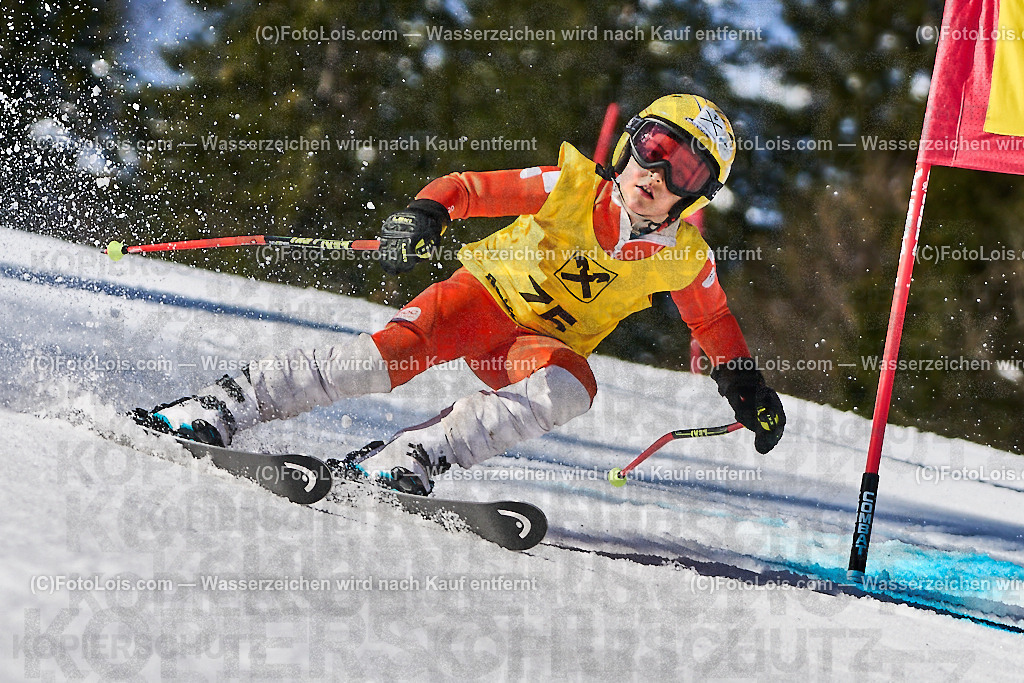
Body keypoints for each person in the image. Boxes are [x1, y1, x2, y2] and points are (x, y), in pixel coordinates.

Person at [133, 93, 786, 496]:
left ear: (696, 194)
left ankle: (414, 452)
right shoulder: (571, 188)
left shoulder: (683, 257)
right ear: (629, 144)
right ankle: (227, 402)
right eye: (655, 147)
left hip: (533, 350)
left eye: (685, 168)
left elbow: (714, 319)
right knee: (380, 359)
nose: (658, 173)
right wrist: (424, 214)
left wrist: (746, 386)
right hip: (481, 300)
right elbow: (467, 186)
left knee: (574, 388)